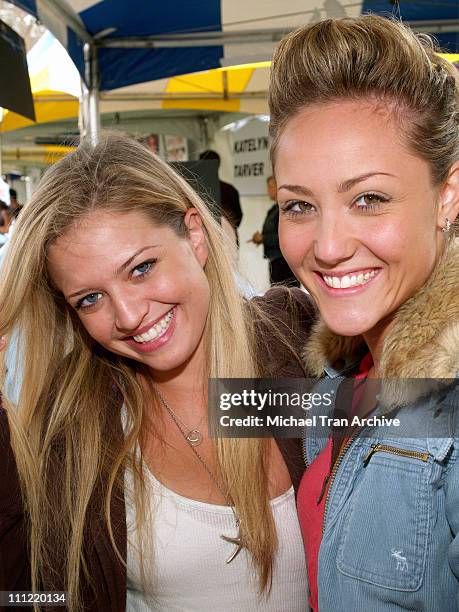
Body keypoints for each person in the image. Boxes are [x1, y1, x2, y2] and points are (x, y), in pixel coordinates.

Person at [0, 132, 314, 611]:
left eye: (141, 268)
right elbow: (33, 596)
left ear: (194, 235)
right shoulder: (80, 428)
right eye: (90, 298)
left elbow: (424, 435)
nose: (127, 315)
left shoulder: (294, 343)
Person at [269, 14, 459, 612]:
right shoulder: (344, 365)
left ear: (448, 195)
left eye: (368, 199)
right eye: (298, 206)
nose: (326, 246)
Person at [251, 176, 299, 286]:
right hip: (275, 261)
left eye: (271, 186)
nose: (268, 190)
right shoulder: (274, 209)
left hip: (285, 263)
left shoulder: (286, 210)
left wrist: (263, 238)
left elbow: (287, 237)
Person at [199, 150, 243, 236]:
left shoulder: (199, 190)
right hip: (228, 238)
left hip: (211, 240)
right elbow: (238, 217)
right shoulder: (230, 189)